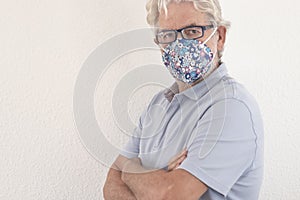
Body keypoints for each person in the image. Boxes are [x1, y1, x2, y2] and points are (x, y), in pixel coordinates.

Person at [103, 0, 264, 199]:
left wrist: (128, 168)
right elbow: (110, 186)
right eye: (168, 35)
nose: (180, 45)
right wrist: (156, 178)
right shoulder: (158, 104)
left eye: (192, 31)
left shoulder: (232, 107)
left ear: (220, 36)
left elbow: (170, 195)